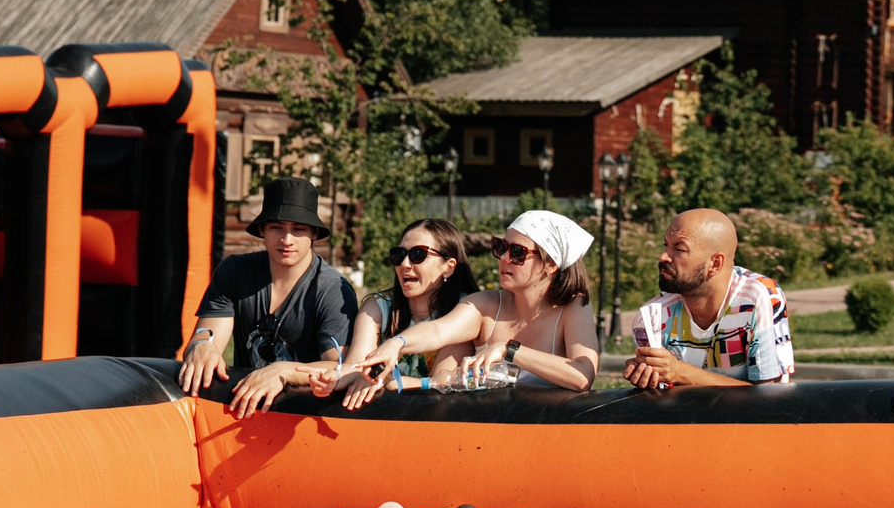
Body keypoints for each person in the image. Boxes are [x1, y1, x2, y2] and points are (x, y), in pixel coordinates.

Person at [351, 209, 600, 391]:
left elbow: (582, 376)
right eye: (501, 247)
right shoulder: (485, 305)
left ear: (551, 265)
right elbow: (438, 331)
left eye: (517, 252)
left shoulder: (573, 307)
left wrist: (509, 350)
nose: (503, 258)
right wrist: (398, 343)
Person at [177, 177, 358, 415]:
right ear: (262, 229)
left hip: (307, 417)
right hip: (242, 410)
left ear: (314, 233)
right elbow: (207, 336)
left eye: (298, 229)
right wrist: (202, 347)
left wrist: (285, 371)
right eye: (277, 228)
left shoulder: (334, 289)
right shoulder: (234, 271)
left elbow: (341, 367)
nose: (287, 240)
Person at [625, 208, 795, 389]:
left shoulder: (756, 298)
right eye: (665, 244)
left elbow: (770, 396)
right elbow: (662, 402)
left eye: (679, 248)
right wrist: (646, 379)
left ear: (715, 264)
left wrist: (680, 372)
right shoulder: (654, 315)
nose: (664, 256)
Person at [323, 219, 479, 406]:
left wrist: (390, 381)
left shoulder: (465, 310)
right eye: (399, 254)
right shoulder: (378, 306)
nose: (404, 264)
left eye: (418, 254)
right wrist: (334, 377)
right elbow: (357, 366)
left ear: (449, 266)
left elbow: (440, 384)